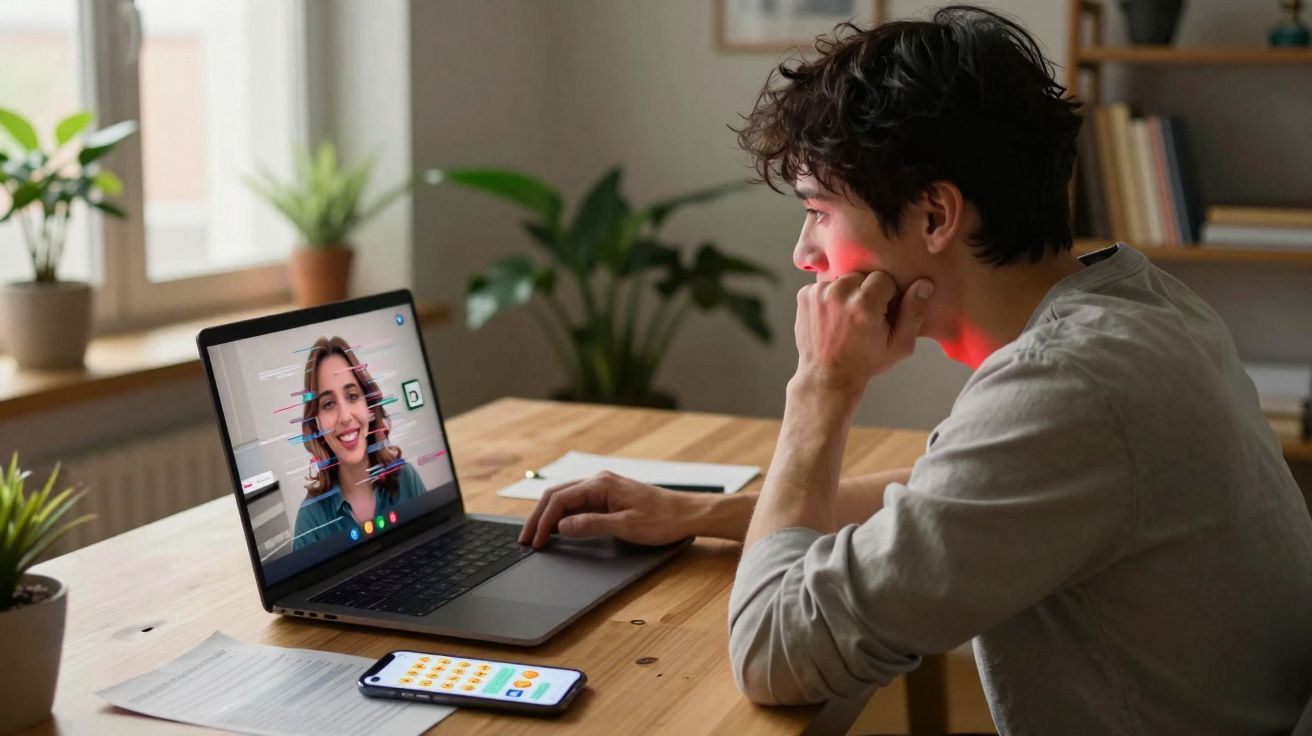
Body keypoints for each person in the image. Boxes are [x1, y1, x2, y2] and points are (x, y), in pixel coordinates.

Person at [517, 6, 1312, 733]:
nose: (804, 254)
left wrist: (820, 390)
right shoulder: (1133, 296)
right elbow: (943, 496)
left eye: (819, 213)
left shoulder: (1069, 384)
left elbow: (774, 652)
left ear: (936, 216)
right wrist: (691, 513)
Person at [293, 336, 424, 549]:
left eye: (352, 396)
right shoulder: (311, 520)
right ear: (316, 424)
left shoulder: (405, 479)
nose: (345, 417)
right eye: (328, 404)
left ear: (369, 407)